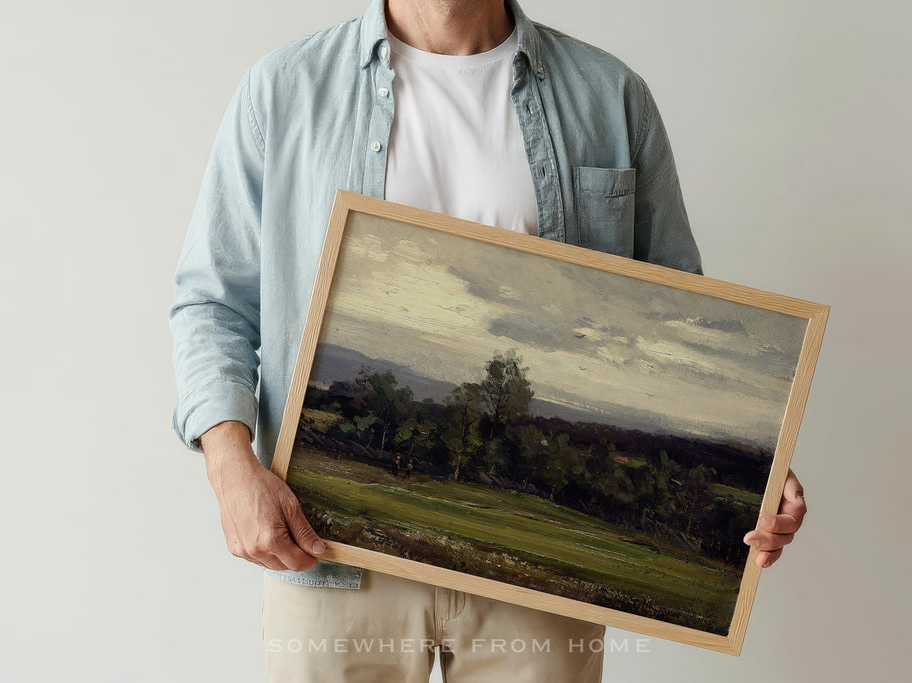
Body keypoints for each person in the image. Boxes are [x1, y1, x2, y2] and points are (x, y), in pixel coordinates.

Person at [170, 0, 807, 680]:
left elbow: (683, 312)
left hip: (543, 588)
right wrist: (228, 465)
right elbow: (212, 302)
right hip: (330, 555)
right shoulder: (283, 90)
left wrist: (755, 468)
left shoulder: (612, 97)